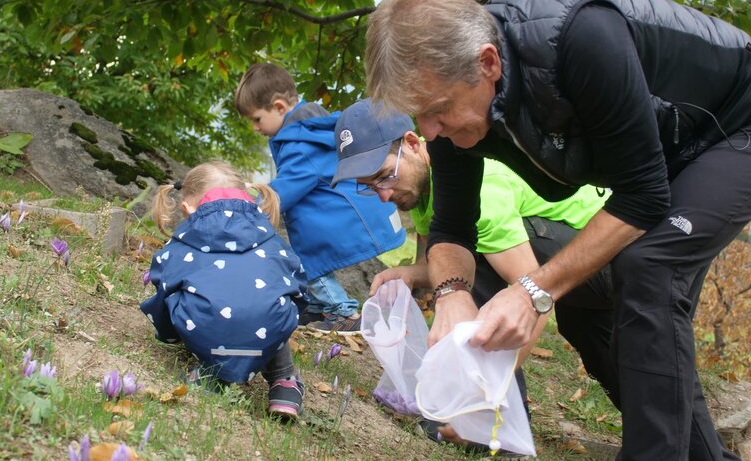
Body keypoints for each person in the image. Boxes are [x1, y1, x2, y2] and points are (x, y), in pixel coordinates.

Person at [365, 0, 751, 460]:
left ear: (489, 63)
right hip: (664, 146)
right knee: (590, 305)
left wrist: (533, 292)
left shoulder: (580, 38)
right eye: (419, 115)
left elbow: (643, 197)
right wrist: (451, 295)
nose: (429, 131)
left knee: (649, 265)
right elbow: (452, 228)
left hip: (735, 121)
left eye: (439, 111)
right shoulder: (453, 105)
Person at [332, 98, 617, 411]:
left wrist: (490, 393)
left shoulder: (476, 190)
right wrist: (408, 275)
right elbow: (435, 263)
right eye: (370, 187)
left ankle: (493, 407)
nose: (383, 195)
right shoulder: (422, 184)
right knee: (610, 354)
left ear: (413, 143)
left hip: (610, 259)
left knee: (471, 253)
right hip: (573, 269)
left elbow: (536, 296)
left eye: (385, 176)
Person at [234, 63, 406, 335]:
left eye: (256, 119)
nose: (255, 128)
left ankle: (343, 312)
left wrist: (249, 210)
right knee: (308, 255)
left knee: (308, 261)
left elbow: (286, 189)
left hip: (335, 219)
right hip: (339, 213)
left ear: (279, 107)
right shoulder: (310, 128)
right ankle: (317, 304)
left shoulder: (300, 144)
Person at [140, 160, 308, 419]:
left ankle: (211, 373)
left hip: (208, 331)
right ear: (251, 197)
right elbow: (298, 285)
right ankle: (283, 384)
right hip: (269, 331)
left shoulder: (181, 245)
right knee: (272, 304)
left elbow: (162, 286)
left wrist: (168, 334)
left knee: (193, 300)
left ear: (187, 209)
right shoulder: (273, 241)